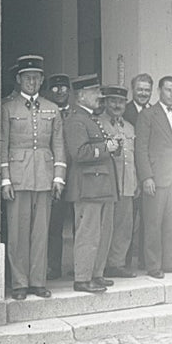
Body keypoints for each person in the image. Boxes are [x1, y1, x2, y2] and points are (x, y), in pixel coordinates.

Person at [1, 55, 67, 300]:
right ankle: (19, 282)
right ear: (19, 80)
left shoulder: (52, 108)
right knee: (18, 233)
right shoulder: (8, 108)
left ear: (41, 80)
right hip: (18, 178)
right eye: (27, 77)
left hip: (44, 176)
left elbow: (58, 145)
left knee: (41, 232)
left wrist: (58, 177)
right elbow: (3, 146)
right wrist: (5, 179)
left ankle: (38, 281)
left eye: (36, 78)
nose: (32, 81)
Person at [62, 76, 118, 294]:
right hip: (88, 187)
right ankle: (83, 278)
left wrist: (112, 147)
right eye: (95, 92)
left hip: (101, 186)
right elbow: (79, 153)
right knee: (88, 234)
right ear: (81, 95)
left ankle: (96, 274)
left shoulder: (91, 119)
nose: (100, 96)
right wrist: (106, 148)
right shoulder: (76, 120)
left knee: (103, 233)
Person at [135, 75, 172, 278]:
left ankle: (171, 262)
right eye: (168, 90)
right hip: (156, 177)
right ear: (159, 91)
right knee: (153, 223)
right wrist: (146, 177)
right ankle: (153, 265)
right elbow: (141, 148)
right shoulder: (148, 115)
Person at [99, 85, 138, 280]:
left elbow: (132, 157)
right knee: (103, 226)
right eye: (113, 101)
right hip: (107, 183)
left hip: (127, 182)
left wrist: (136, 181)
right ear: (106, 102)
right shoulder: (98, 123)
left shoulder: (129, 127)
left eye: (121, 102)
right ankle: (99, 265)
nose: (117, 105)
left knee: (124, 226)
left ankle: (116, 263)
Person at [43, 73, 75, 281]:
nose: (60, 92)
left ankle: (79, 267)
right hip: (54, 175)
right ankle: (53, 267)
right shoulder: (45, 113)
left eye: (64, 88)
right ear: (49, 92)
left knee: (80, 222)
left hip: (76, 175)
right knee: (54, 224)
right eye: (55, 88)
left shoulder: (77, 114)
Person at [122, 73, 153, 271]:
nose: (143, 93)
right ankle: (123, 262)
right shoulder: (124, 112)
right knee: (128, 220)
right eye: (140, 89)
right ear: (133, 90)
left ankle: (144, 260)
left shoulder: (155, 112)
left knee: (148, 220)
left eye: (147, 90)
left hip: (149, 174)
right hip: (129, 173)